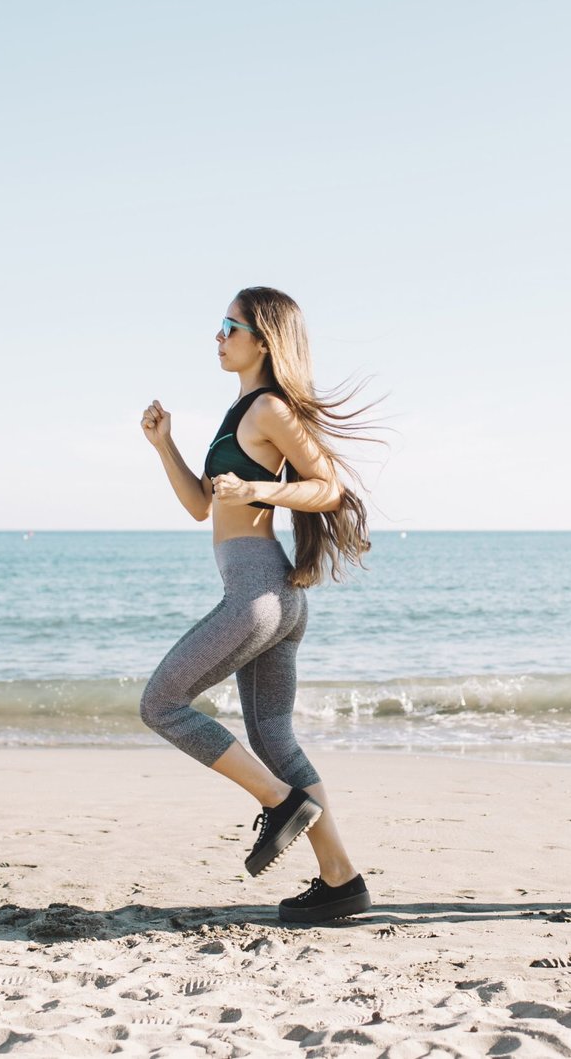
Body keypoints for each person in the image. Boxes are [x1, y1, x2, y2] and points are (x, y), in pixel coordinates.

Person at [138, 286, 375, 923]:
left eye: (229, 326)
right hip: (270, 596)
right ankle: (341, 879)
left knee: (161, 704)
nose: (218, 336)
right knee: (272, 734)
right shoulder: (238, 410)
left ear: (263, 339)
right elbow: (200, 506)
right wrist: (165, 445)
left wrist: (260, 486)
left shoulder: (269, 407)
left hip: (258, 592)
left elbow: (329, 486)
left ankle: (279, 803)